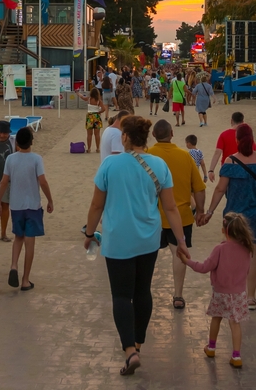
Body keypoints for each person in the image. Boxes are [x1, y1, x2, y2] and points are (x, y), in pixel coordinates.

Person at [84, 115, 191, 376]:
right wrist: (181, 241)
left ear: (125, 137)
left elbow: (97, 205)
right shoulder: (159, 165)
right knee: (142, 291)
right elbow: (170, 207)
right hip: (148, 239)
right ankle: (139, 344)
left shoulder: (110, 164)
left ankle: (129, 350)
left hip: (118, 238)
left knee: (121, 295)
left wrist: (89, 233)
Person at [201, 123, 256, 311]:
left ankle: (233, 293)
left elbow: (220, 189)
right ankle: (251, 297)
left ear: (237, 140)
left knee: (233, 254)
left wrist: (210, 212)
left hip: (234, 215)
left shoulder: (230, 163)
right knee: (254, 255)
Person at [149, 120, 206, 309]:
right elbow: (199, 188)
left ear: (154, 135)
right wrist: (200, 210)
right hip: (180, 214)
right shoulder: (185, 156)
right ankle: (178, 295)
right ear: (172, 133)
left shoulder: (147, 156)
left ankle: (144, 290)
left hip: (152, 215)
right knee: (179, 253)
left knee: (147, 254)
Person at [186, 212, 254, 368]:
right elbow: (247, 271)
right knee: (235, 323)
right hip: (238, 293)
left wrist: (187, 261)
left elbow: (204, 267)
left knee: (216, 318)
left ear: (224, 230)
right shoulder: (247, 250)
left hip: (220, 292)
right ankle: (236, 356)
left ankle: (211, 347)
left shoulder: (220, 249)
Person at [0, 127, 53, 292]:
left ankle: (14, 265)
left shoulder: (11, 159)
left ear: (17, 142)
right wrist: (50, 200)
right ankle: (25, 280)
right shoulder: (36, 159)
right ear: (31, 141)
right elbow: (42, 182)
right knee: (30, 242)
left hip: (16, 205)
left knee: (18, 238)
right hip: (33, 206)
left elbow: (3, 182)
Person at [208, 112, 256, 180]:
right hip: (244, 167)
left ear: (231, 121)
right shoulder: (245, 135)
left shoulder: (224, 134)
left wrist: (211, 170)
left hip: (228, 168)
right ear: (242, 122)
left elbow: (217, 152)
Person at [77, 87, 107, 152]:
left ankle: (89, 148)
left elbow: (82, 97)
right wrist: (99, 112)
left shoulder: (89, 99)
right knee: (97, 134)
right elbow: (104, 109)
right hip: (96, 117)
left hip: (89, 117)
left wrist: (78, 93)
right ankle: (98, 148)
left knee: (89, 134)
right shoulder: (99, 101)